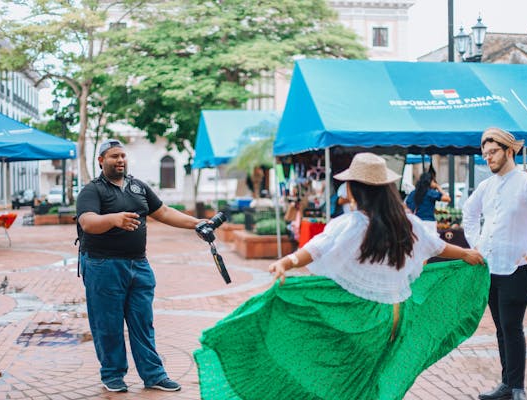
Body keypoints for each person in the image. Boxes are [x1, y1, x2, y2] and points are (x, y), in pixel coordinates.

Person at [195, 152, 487, 400]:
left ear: (356, 189)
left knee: (333, 371)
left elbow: (317, 249)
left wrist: (287, 262)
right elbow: (437, 246)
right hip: (394, 318)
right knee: (370, 375)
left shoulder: (351, 224)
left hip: (358, 315)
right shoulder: (406, 223)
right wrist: (466, 254)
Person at [77, 139, 208, 393]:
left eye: (123, 156)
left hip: (138, 265)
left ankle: (154, 375)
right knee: (108, 323)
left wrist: (197, 223)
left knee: (143, 322)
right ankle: (113, 374)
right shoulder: (92, 191)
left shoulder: (138, 187)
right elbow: (88, 222)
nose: (120, 160)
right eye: (114, 156)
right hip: (104, 266)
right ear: (101, 161)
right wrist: (114, 219)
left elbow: (164, 212)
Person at [462, 128, 527, 400]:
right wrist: (476, 245)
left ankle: (517, 388)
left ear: (509, 151)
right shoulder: (486, 187)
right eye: (485, 154)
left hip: (518, 268)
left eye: (493, 152)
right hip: (491, 268)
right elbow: (469, 214)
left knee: (512, 326)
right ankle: (507, 385)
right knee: (501, 328)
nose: (488, 158)